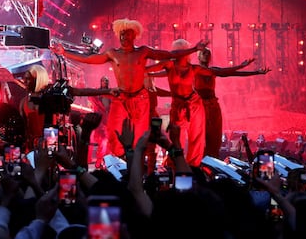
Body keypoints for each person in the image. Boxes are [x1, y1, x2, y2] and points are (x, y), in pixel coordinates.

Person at [51, 19, 208, 158]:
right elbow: (89, 58)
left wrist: (194, 49)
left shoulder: (143, 51)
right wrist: (65, 52)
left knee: (139, 138)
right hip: (121, 98)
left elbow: (167, 54)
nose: (124, 37)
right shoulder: (113, 53)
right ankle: (122, 160)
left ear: (134, 36)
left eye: (127, 34)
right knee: (113, 133)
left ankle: (136, 166)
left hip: (140, 99)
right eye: (121, 34)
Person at [17, 64, 117, 154]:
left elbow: (80, 92)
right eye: (24, 79)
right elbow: (23, 129)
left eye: (28, 79)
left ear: (38, 79)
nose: (24, 82)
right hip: (31, 149)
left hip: (51, 144)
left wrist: (107, 91)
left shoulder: (53, 93)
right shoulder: (23, 102)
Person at [194, 47, 271, 159]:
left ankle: (211, 160)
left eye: (208, 53)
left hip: (213, 107)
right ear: (198, 56)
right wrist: (241, 65)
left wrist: (256, 72)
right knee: (200, 136)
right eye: (204, 53)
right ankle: (199, 160)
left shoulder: (213, 70)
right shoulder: (194, 70)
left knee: (214, 136)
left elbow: (232, 73)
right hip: (199, 107)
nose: (206, 55)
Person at [145, 38, 208, 167]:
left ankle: (193, 165)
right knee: (173, 137)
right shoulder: (169, 65)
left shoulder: (191, 68)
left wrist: (242, 69)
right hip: (174, 106)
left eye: (180, 51)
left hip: (193, 103)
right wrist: (146, 72)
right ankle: (173, 163)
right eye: (176, 51)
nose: (177, 54)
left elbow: (220, 72)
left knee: (196, 136)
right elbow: (160, 73)